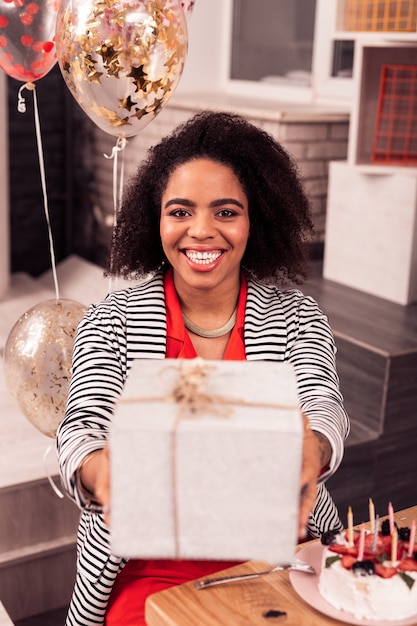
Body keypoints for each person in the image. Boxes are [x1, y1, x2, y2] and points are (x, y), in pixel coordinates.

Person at [57, 110, 350, 626]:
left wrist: (314, 447)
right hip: (147, 564)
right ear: (157, 220)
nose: (201, 231)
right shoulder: (113, 320)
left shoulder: (298, 317)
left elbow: (323, 406)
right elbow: (80, 427)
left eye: (226, 212)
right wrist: (101, 471)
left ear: (255, 220)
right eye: (181, 211)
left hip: (281, 551)